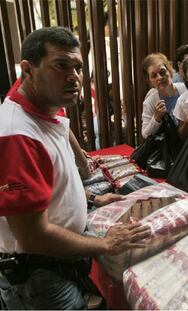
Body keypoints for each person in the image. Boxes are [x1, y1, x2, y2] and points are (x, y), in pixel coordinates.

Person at [0, 27, 151, 309]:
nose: (75, 77)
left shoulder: (44, 101)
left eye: (79, 67)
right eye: (61, 65)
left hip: (61, 261)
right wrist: (104, 244)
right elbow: (33, 236)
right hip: (41, 275)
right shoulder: (16, 135)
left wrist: (90, 198)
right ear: (27, 70)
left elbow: (56, 174)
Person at [141, 53, 188, 139]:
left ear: (169, 71)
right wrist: (156, 118)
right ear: (150, 81)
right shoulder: (150, 102)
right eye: (154, 76)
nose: (160, 77)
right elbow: (145, 135)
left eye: (162, 72)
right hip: (167, 149)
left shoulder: (184, 89)